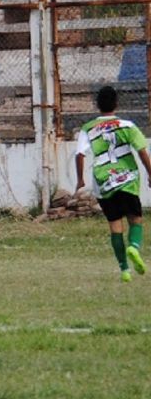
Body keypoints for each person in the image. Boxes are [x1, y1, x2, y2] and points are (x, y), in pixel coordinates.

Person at [75, 85, 151, 282]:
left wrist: (80, 179)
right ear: (116, 103)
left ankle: (124, 269)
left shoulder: (88, 128)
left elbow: (80, 154)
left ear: (97, 105)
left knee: (115, 226)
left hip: (104, 181)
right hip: (127, 179)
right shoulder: (127, 126)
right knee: (135, 219)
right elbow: (142, 151)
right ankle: (134, 247)